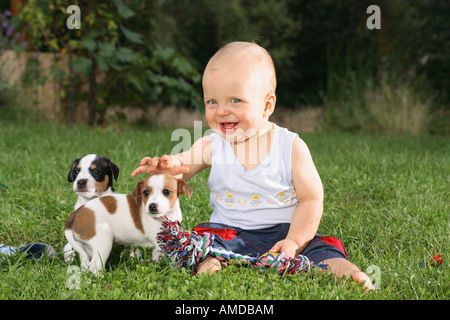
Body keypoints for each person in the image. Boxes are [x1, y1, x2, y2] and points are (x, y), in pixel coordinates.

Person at [131, 41, 373, 290]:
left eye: (235, 100)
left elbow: (312, 199)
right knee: (199, 245)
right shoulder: (213, 145)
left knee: (323, 251)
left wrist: (293, 241)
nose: (222, 111)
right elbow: (182, 166)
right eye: (212, 101)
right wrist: (167, 165)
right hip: (228, 233)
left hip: (284, 232)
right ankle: (210, 265)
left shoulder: (290, 146)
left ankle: (349, 273)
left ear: (267, 105)